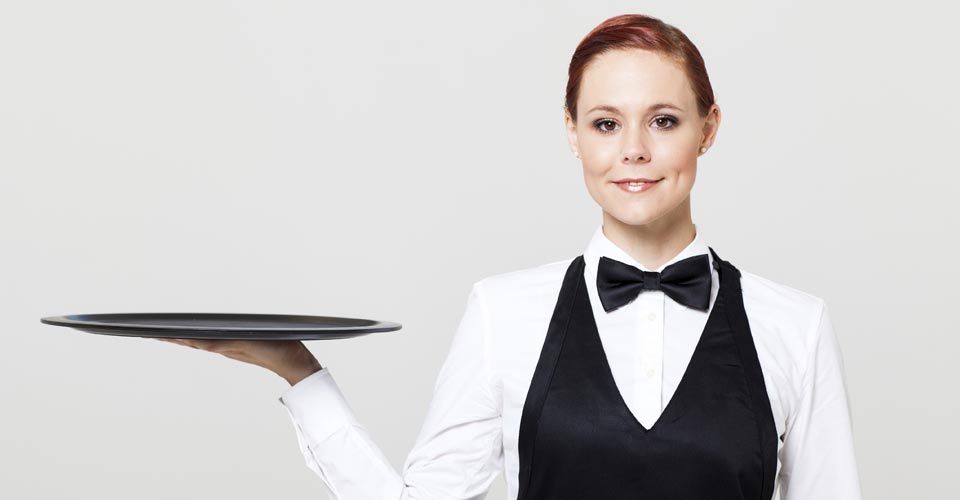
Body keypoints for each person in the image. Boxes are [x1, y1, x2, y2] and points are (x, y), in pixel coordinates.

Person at [159, 13, 863, 500]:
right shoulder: (504, 313)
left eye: (665, 121)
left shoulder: (794, 326)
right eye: (606, 123)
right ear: (573, 134)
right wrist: (297, 369)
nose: (634, 151)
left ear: (708, 129)